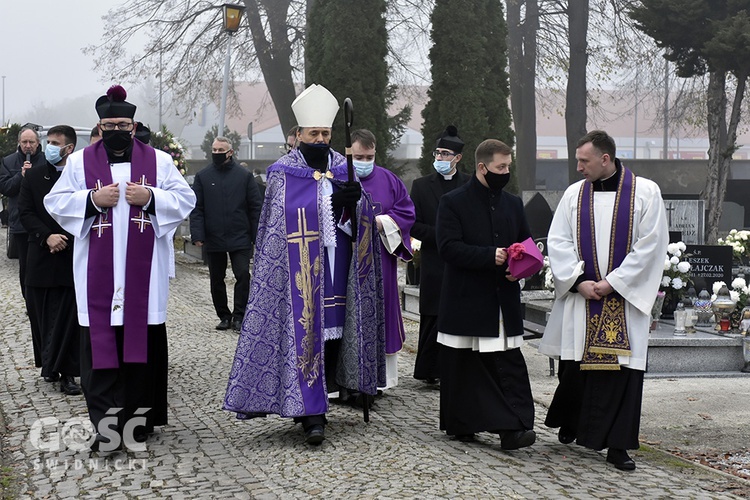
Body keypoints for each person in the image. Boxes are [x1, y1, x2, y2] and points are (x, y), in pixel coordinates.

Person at [223, 84, 385, 445]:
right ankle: (313, 414)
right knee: (304, 333)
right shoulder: (283, 172)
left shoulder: (345, 168)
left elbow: (360, 224)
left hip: (338, 268)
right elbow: (278, 224)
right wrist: (327, 203)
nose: (321, 138)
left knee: (333, 335)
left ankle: (323, 398)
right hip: (300, 271)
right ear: (298, 136)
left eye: (326, 133)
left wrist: (353, 204)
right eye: (314, 133)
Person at [44, 85, 196, 451]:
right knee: (99, 359)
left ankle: (137, 423)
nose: (116, 130)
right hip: (97, 278)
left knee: (138, 357)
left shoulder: (158, 161)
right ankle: (107, 430)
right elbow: (56, 201)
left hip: (143, 278)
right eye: (109, 124)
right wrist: (92, 199)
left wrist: (152, 197)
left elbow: (185, 199)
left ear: (134, 125)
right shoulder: (80, 162)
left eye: (123, 124)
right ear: (100, 126)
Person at [539, 130, 668, 471]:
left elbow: (651, 246)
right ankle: (575, 422)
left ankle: (618, 446)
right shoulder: (573, 195)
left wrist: (613, 283)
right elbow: (559, 240)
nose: (578, 167)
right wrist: (579, 281)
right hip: (582, 300)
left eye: (584, 160)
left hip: (623, 302)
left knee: (621, 373)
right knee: (576, 369)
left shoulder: (645, 193)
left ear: (605, 159)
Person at [435, 138, 536, 448]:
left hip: (502, 298)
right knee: (466, 366)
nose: (505, 172)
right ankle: (464, 423)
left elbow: (526, 243)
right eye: (500, 167)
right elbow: (448, 248)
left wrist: (522, 265)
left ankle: (514, 427)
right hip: (467, 298)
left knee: (507, 363)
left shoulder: (513, 203)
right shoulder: (453, 202)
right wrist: (488, 255)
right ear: (482, 167)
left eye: (508, 166)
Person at [18, 125, 81, 395]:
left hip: (70, 254)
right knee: (41, 314)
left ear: (69, 148)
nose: (51, 146)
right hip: (41, 254)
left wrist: (64, 236)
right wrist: (47, 237)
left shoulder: (80, 177)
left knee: (68, 317)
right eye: (49, 142)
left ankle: (68, 372)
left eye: (56, 143)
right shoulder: (32, 176)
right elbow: (26, 212)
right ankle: (49, 364)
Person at [351, 128, 414, 390]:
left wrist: (382, 222)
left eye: (369, 157)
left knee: (383, 310)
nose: (364, 163)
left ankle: (382, 380)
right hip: (348, 260)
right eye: (359, 157)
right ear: (349, 153)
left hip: (381, 261)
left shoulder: (389, 180)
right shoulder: (339, 178)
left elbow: (407, 212)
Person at [411, 125, 470, 384]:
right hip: (434, 261)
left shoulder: (470, 184)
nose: (440, 159)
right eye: (437, 153)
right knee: (433, 315)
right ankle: (429, 370)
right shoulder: (421, 185)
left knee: (460, 314)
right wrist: (444, 236)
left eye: (446, 154)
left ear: (457, 158)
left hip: (462, 261)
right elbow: (413, 224)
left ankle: (459, 369)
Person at [190, 137, 262, 331]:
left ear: (230, 152)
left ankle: (240, 315)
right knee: (216, 278)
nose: (216, 153)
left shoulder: (244, 176)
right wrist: (197, 234)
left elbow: (255, 207)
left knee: (242, 276)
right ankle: (223, 315)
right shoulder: (203, 176)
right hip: (214, 236)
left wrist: (257, 236)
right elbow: (197, 208)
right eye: (214, 149)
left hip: (240, 235)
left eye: (221, 150)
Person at [0, 124, 47, 372]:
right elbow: (6, 188)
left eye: (32, 142)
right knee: (25, 270)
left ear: (38, 143)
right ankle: (30, 303)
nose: (28, 146)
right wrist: (22, 175)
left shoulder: (45, 161)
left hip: (42, 222)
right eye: (24, 142)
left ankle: (42, 301)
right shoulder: (9, 161)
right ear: (19, 143)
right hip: (20, 224)